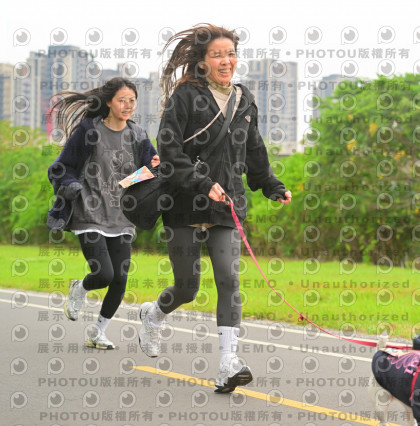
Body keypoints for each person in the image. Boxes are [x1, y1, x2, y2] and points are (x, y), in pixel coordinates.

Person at [137, 24, 291, 393]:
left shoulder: (244, 99)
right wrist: (203, 183)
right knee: (187, 287)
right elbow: (169, 152)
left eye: (231, 54)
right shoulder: (186, 97)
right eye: (217, 55)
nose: (226, 61)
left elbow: (254, 150)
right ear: (203, 62)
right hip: (184, 203)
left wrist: (271, 185)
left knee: (229, 280)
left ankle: (227, 363)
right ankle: (153, 314)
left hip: (227, 205)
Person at [47, 77, 159, 350]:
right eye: (122, 100)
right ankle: (81, 288)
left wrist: (151, 168)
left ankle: (98, 332)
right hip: (90, 211)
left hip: (122, 216)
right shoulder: (89, 130)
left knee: (120, 279)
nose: (128, 105)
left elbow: (149, 171)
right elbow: (61, 167)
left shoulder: (138, 135)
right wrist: (72, 186)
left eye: (132, 101)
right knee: (104, 274)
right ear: (109, 102)